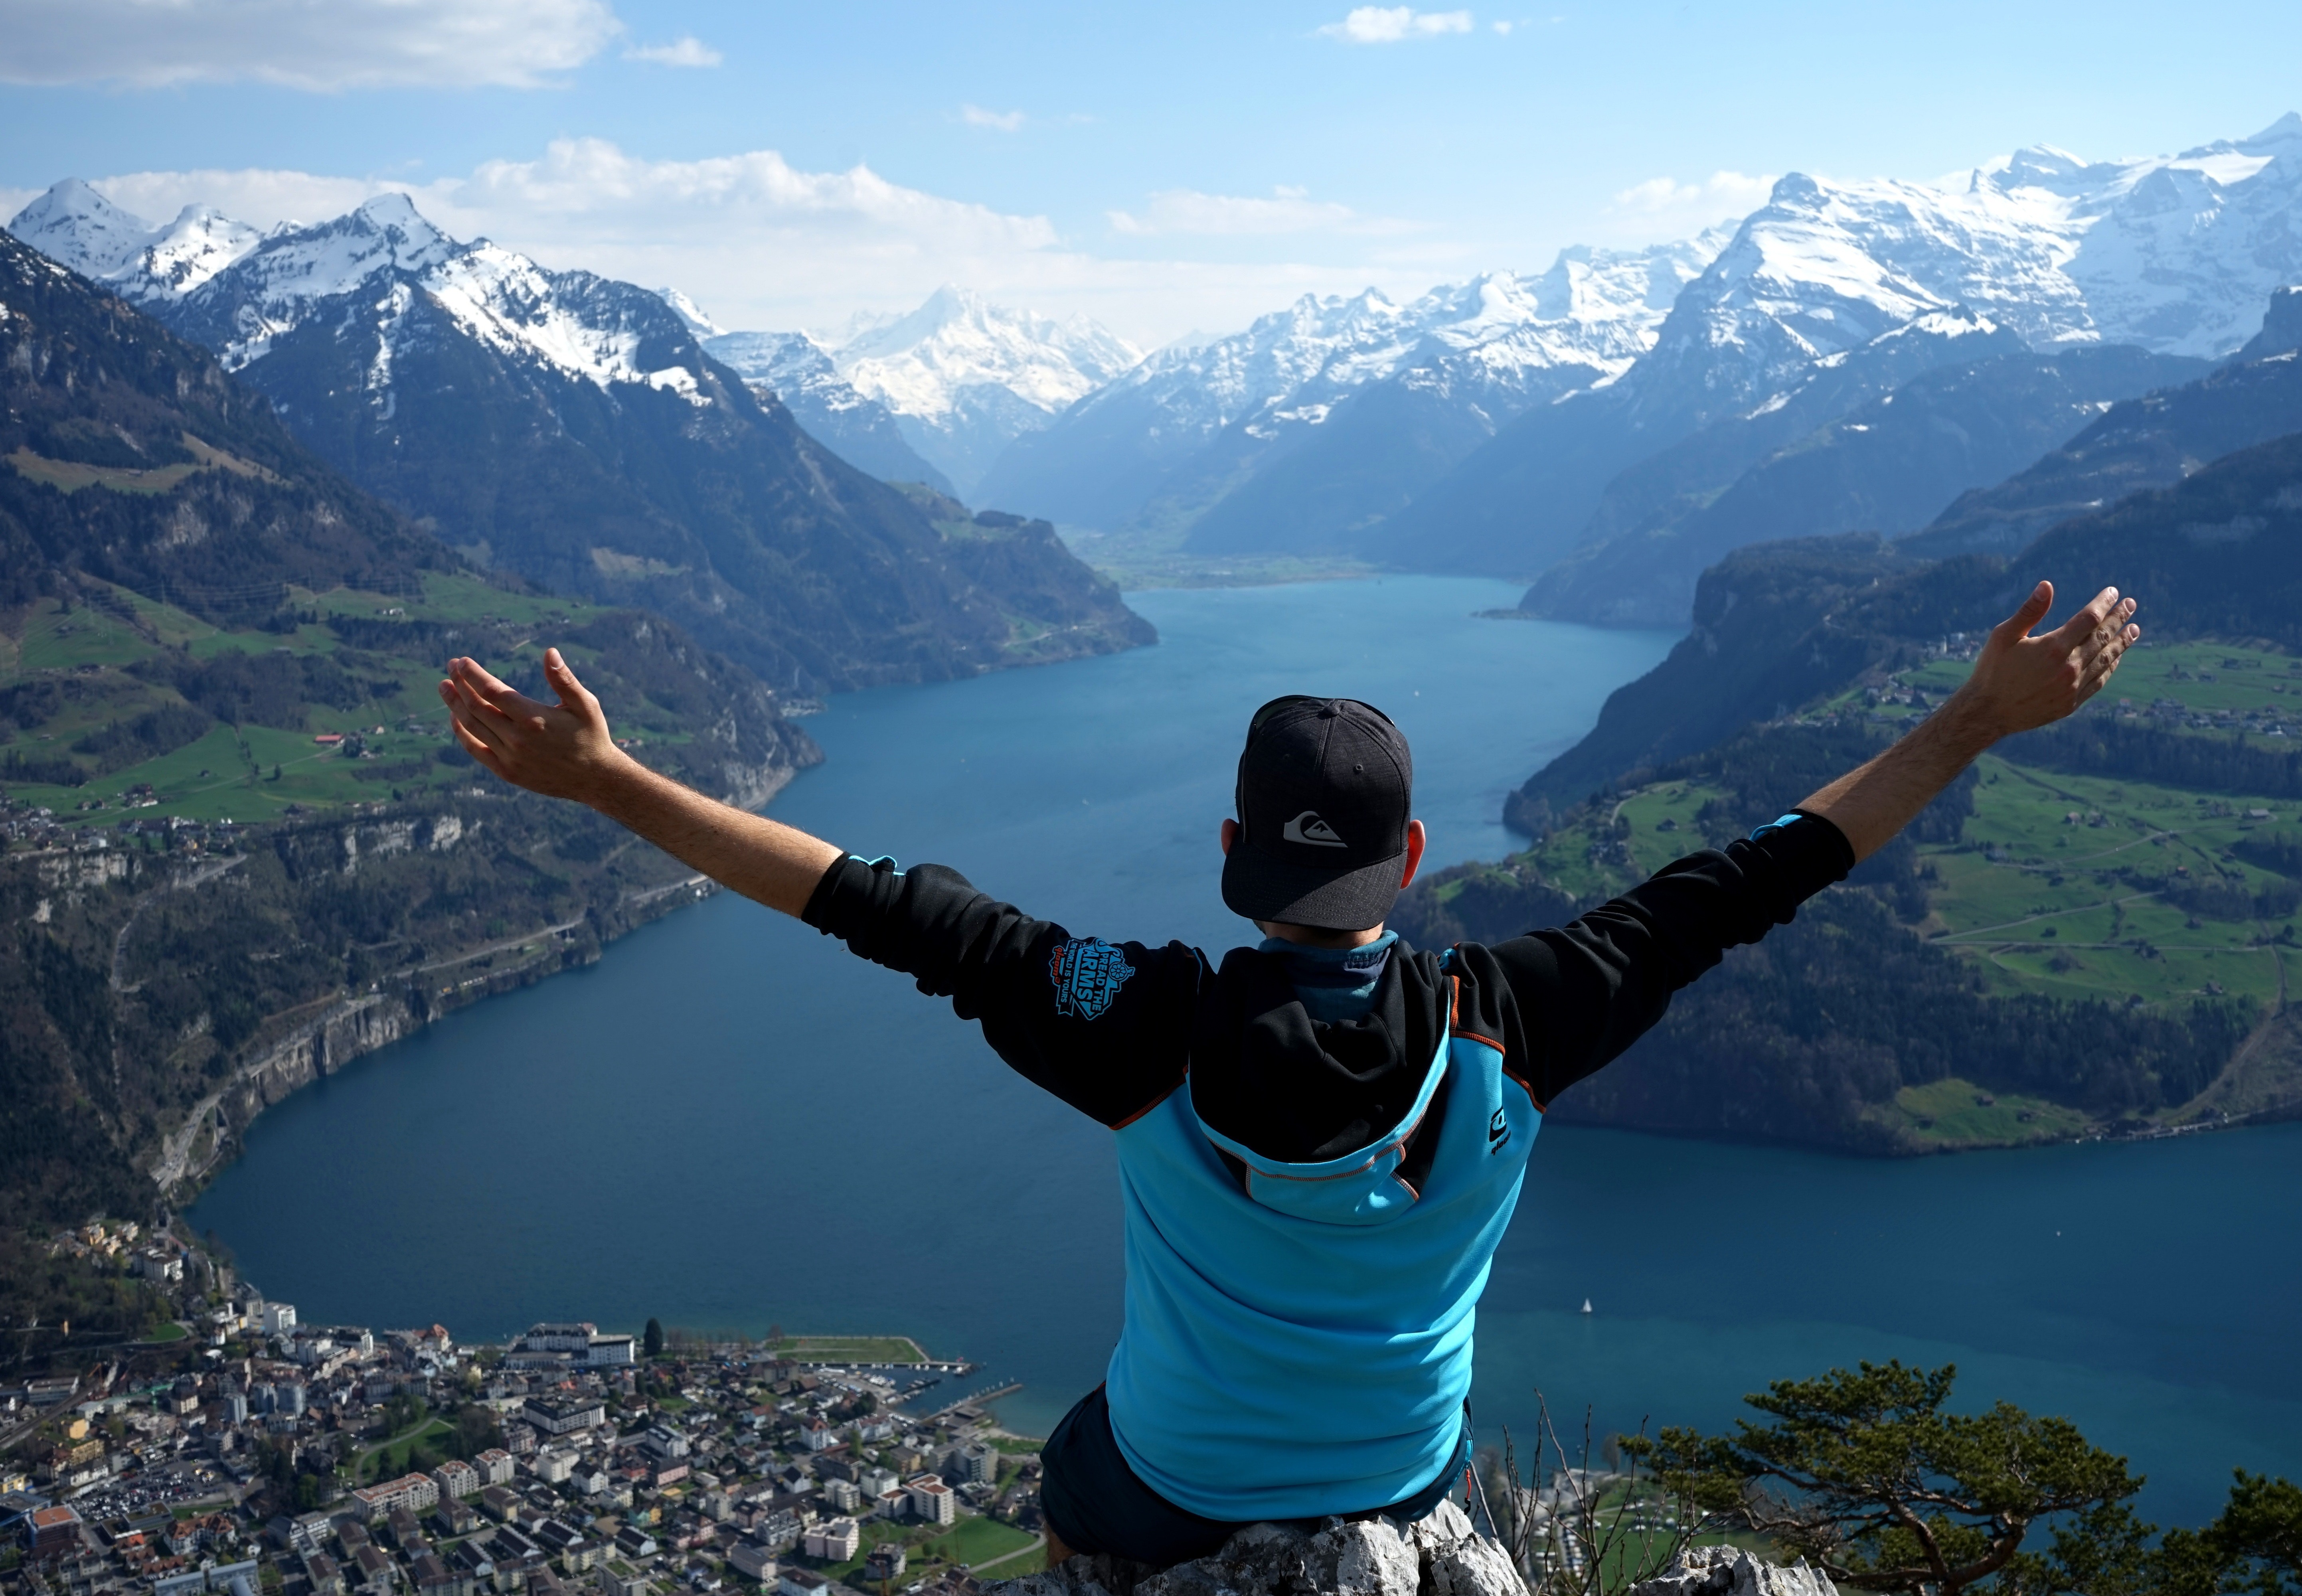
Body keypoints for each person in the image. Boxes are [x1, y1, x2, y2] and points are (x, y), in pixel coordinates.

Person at [439, 579, 2138, 1567]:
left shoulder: (1140, 1026)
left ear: (1237, 850)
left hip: (1174, 1486)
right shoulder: (1515, 1014)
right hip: (1406, 1477)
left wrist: (612, 781)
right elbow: (1758, 875)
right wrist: (1972, 722)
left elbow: (867, 900)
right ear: (1407, 862)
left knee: (1076, 1466)